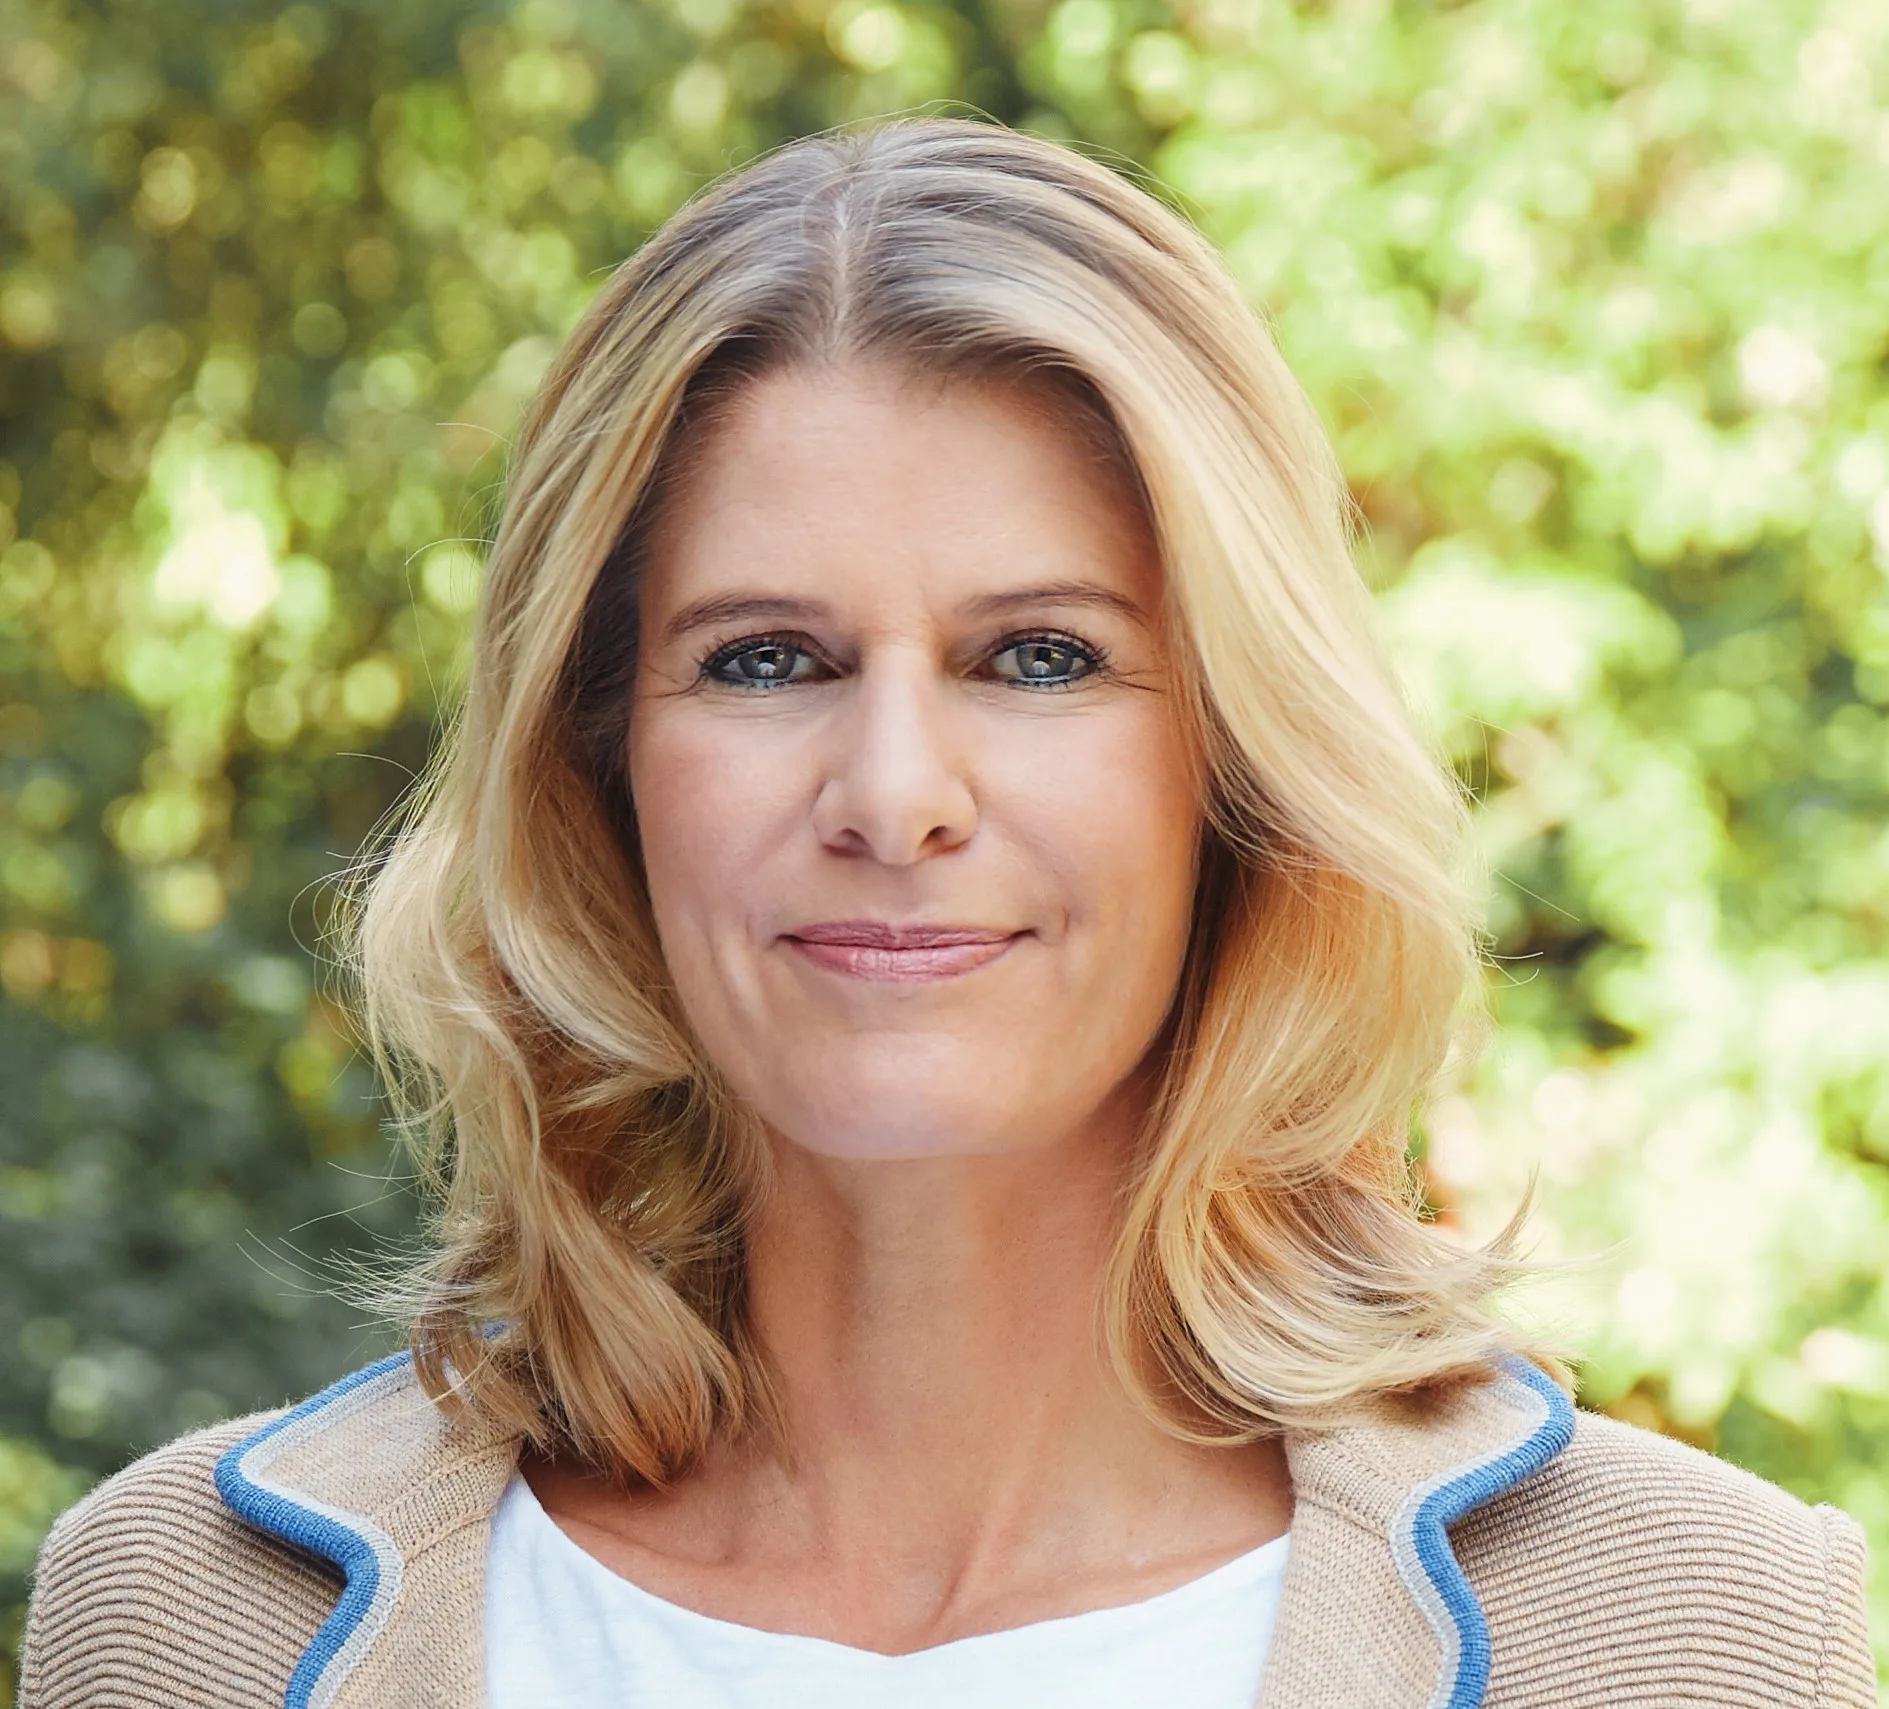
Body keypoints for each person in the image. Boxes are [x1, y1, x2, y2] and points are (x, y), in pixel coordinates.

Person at [20, 116, 1875, 1709]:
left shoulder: (1694, 1632)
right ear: (599, 763)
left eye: (1039, 656)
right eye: (765, 659)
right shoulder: (192, 1619)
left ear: (1233, 760)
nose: (895, 794)